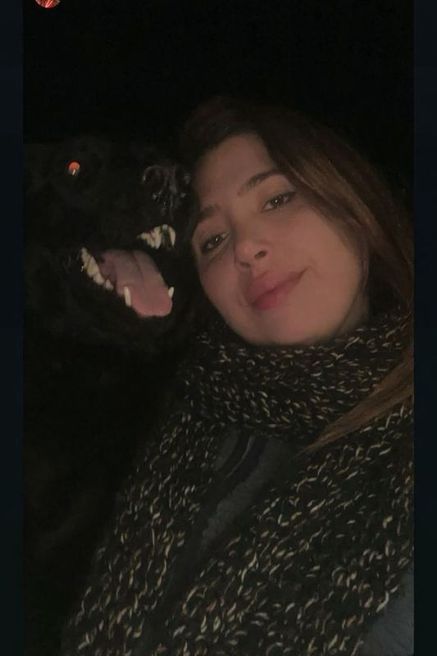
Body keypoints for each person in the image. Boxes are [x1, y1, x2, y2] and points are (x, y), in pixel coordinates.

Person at [61, 97, 413, 656]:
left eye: (276, 198)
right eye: (213, 241)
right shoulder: (168, 425)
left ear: (352, 200)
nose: (246, 248)